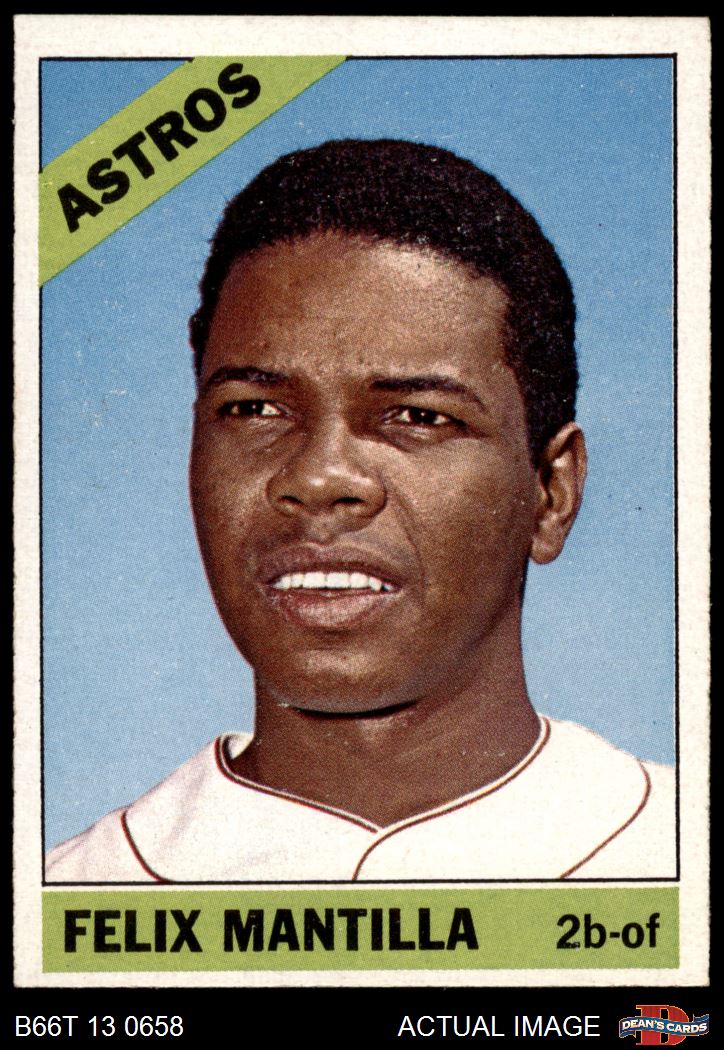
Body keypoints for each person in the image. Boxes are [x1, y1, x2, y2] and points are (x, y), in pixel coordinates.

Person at [46, 139, 675, 883]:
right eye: (254, 409)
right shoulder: (70, 898)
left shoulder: (676, 856)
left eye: (419, 416)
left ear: (551, 491)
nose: (318, 478)